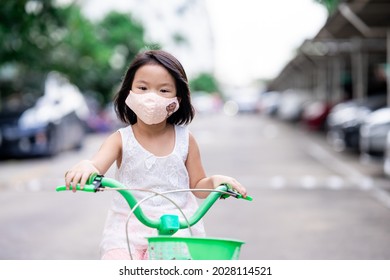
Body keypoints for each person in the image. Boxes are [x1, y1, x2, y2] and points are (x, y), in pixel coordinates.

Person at [64, 49, 247, 260]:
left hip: (175, 231)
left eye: (164, 90)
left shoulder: (186, 140)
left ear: (178, 98)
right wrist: (87, 167)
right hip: (126, 232)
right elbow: (96, 165)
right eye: (142, 88)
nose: (152, 97)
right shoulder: (120, 139)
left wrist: (215, 181)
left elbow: (199, 185)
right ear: (128, 92)